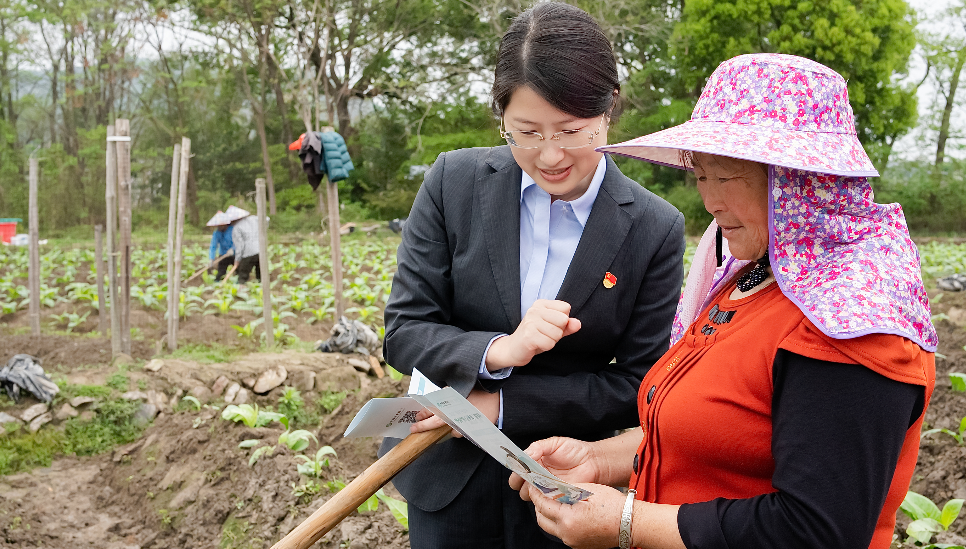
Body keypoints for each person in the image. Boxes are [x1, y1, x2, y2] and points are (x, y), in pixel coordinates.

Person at [507, 53, 937, 549]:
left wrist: (626, 522)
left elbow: (817, 531)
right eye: (702, 175)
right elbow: (715, 433)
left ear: (798, 181)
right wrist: (598, 460)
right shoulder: (753, 275)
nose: (709, 201)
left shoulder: (850, 321)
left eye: (727, 177)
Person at [380, 3, 686, 549]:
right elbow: (406, 330)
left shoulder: (653, 227)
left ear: (608, 109)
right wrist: (498, 350)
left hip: (567, 486)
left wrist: (498, 406)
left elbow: (638, 384)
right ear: (501, 115)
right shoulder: (454, 183)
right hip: (444, 469)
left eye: (571, 131)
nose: (550, 155)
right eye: (525, 132)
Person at [226, 205, 261, 284]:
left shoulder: (237, 228)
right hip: (260, 250)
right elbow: (266, 219)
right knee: (261, 273)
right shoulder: (253, 219)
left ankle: (241, 291)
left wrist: (237, 260)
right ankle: (262, 291)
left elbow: (240, 246)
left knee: (243, 275)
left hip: (248, 253)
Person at [206, 210, 235, 282]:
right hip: (223, 254)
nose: (219, 226)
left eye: (220, 225)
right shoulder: (216, 233)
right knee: (221, 272)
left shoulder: (233, 230)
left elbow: (239, 242)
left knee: (239, 270)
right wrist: (211, 259)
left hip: (234, 254)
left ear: (225, 224)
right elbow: (213, 246)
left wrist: (233, 249)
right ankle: (217, 283)